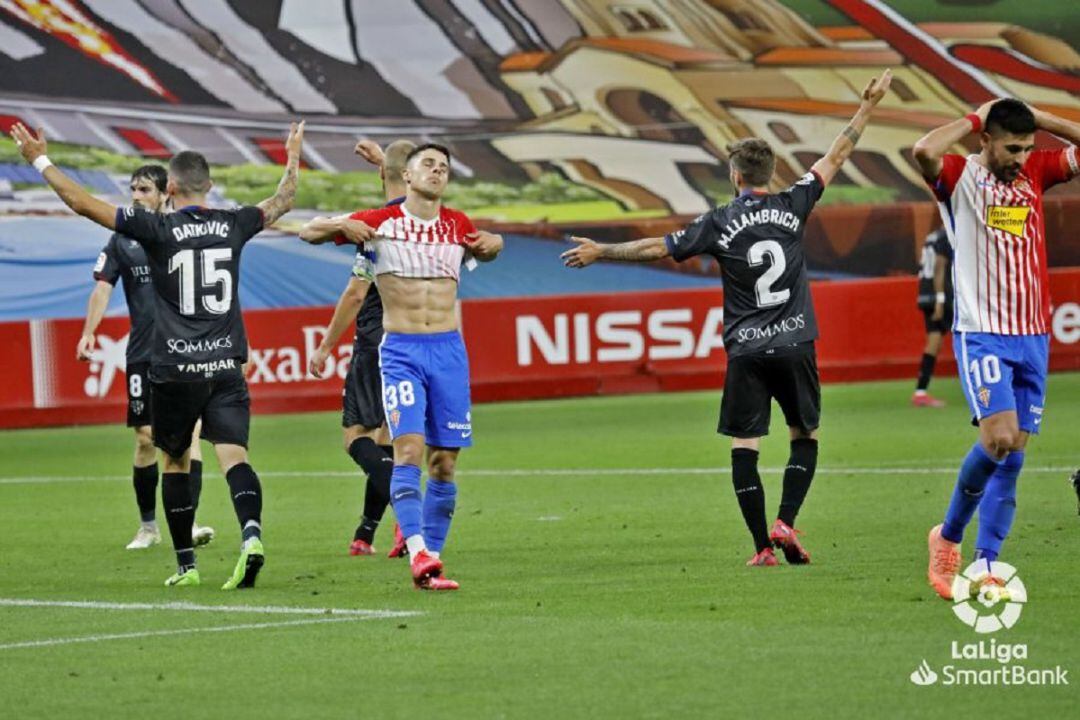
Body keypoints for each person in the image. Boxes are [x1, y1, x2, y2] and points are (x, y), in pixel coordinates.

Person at [562, 71, 893, 567]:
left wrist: (602, 250)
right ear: (771, 172)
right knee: (805, 436)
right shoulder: (793, 202)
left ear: (736, 176)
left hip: (747, 350)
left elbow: (659, 247)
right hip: (796, 341)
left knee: (746, 443)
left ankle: (762, 547)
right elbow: (836, 157)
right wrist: (866, 107)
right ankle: (787, 520)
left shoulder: (717, 222)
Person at [10, 120, 304, 589]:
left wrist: (40, 160)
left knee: (174, 460)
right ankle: (251, 535)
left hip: (175, 366)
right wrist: (291, 157)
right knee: (234, 455)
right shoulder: (234, 222)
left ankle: (186, 565)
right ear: (209, 185)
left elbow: (83, 203)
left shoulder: (157, 228)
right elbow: (283, 200)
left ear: (169, 188)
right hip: (226, 363)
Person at [299, 143, 503, 590]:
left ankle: (430, 554)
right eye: (428, 164)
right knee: (407, 451)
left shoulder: (457, 225)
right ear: (406, 177)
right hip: (402, 353)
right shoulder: (381, 222)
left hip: (449, 352)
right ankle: (418, 553)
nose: (437, 170)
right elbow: (307, 232)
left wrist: (496, 244)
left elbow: (486, 249)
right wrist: (339, 224)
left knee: (445, 464)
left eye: (444, 167)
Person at [914, 99, 1080, 599]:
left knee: (1015, 457)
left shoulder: (1036, 172)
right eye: (1012, 147)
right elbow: (923, 149)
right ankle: (946, 537)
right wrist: (973, 116)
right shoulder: (959, 177)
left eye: (1028, 148)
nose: (1021, 157)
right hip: (981, 329)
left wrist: (1039, 119)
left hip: (1033, 333)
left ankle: (987, 564)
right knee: (998, 438)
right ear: (985, 139)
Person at [79, 164, 214, 550]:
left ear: (164, 194)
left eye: (144, 190)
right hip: (142, 351)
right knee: (145, 439)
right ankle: (149, 526)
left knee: (190, 436)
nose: (136, 196)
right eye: (132, 189)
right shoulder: (122, 238)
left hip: (184, 350)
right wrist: (90, 331)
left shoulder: (183, 232)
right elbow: (103, 286)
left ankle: (186, 524)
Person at [307, 139, 416, 557]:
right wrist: (384, 167)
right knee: (389, 436)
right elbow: (400, 191)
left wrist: (324, 346)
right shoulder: (427, 221)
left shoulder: (376, 226)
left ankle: (409, 517)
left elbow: (355, 293)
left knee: (356, 437)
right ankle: (365, 533)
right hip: (416, 338)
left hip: (377, 340)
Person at [912, 225, 953, 408]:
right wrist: (940, 299)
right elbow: (939, 265)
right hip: (940, 295)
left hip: (925, 292)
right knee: (970, 337)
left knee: (934, 341)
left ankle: (920, 392)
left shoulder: (932, 236)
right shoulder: (946, 236)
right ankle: (984, 389)